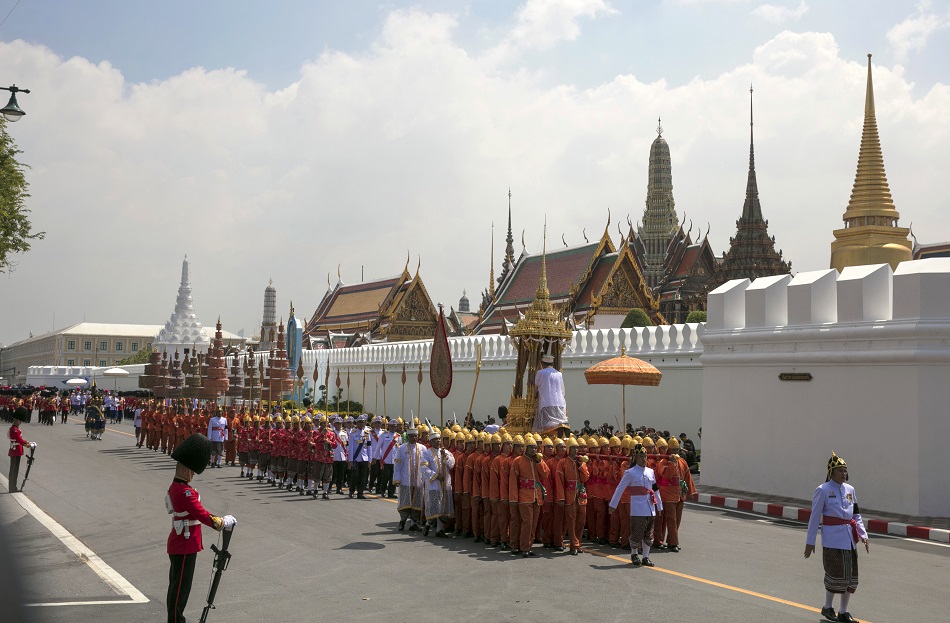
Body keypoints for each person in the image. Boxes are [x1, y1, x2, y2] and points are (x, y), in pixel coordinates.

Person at [165, 433, 236, 623]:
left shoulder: (176, 488)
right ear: (187, 470)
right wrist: (221, 522)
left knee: (178, 588)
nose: (193, 475)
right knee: (180, 589)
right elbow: (202, 514)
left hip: (182, 543)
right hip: (185, 545)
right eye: (192, 471)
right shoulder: (185, 492)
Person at [805, 452, 869, 623]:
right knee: (835, 574)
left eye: (845, 470)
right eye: (840, 470)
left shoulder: (850, 490)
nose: (844, 473)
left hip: (849, 539)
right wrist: (810, 542)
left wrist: (863, 534)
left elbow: (856, 514)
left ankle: (843, 611)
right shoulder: (823, 490)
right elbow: (815, 516)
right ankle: (827, 607)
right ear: (831, 472)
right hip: (832, 539)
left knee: (851, 577)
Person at [609, 443, 662, 567]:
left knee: (649, 532)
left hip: (650, 506)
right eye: (641, 457)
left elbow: (655, 488)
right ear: (635, 458)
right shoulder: (630, 473)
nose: (644, 459)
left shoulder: (650, 472)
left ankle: (646, 556)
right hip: (638, 507)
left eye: (645, 456)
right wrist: (613, 504)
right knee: (637, 531)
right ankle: (634, 554)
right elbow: (620, 488)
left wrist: (659, 505)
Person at [420, 428, 455, 537]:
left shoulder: (446, 452)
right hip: (434, 485)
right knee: (434, 508)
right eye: (435, 440)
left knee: (443, 509)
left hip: (445, 485)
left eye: (439, 439)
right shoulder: (427, 453)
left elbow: (452, 464)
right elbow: (423, 467)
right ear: (430, 442)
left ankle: (440, 530)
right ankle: (428, 524)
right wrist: (435, 476)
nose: (438, 441)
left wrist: (445, 457)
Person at [393, 426, 425, 531]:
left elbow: (425, 465)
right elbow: (397, 465)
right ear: (408, 437)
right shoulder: (402, 448)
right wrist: (396, 479)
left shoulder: (422, 448)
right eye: (411, 436)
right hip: (405, 480)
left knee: (416, 503)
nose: (414, 438)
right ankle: (402, 522)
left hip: (418, 481)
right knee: (405, 503)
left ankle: (413, 523)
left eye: (415, 436)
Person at [533, 354, 567, 433]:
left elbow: (536, 389)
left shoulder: (540, 373)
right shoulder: (559, 374)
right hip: (560, 403)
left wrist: (534, 397)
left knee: (546, 427)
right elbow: (562, 390)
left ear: (542, 363)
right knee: (558, 423)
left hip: (546, 403)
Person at [7, 406, 34, 493]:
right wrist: (28, 444)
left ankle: (13, 487)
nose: (20, 422)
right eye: (20, 420)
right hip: (15, 451)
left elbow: (19, 440)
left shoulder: (15, 429)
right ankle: (12, 488)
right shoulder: (15, 430)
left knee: (15, 470)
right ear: (16, 420)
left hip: (16, 450)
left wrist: (27, 443)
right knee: (14, 470)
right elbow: (19, 440)